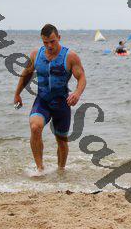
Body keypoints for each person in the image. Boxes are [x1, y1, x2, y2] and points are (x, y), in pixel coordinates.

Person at [13, 24, 86, 173]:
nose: (49, 45)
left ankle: (61, 171)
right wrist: (17, 93)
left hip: (62, 103)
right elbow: (26, 73)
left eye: (52, 41)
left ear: (59, 37)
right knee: (35, 127)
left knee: (62, 140)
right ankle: (40, 169)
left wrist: (77, 93)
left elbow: (82, 77)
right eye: (45, 42)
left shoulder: (70, 56)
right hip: (43, 101)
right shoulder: (36, 54)